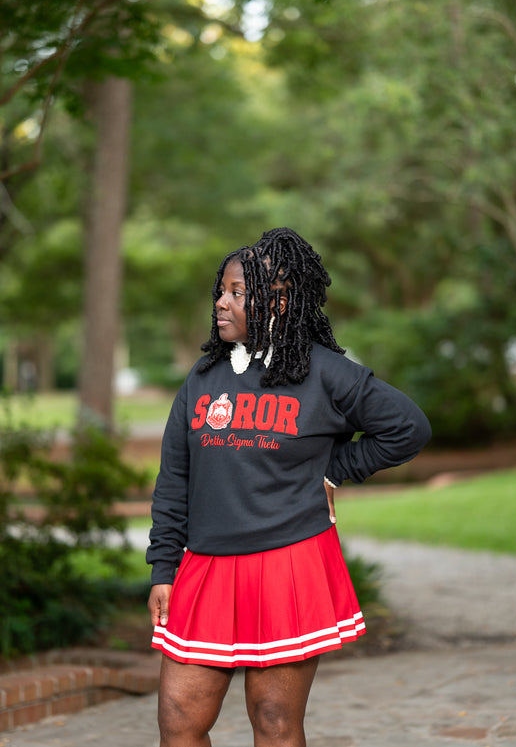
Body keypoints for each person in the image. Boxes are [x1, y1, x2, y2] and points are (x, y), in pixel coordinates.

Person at [146, 227, 431, 747]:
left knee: (275, 720)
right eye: (221, 290)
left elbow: (407, 428)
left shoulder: (323, 372)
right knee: (179, 721)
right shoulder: (204, 376)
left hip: (287, 560)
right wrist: (164, 566)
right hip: (206, 565)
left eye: (236, 292)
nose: (221, 302)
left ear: (277, 301)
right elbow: (174, 478)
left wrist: (334, 469)